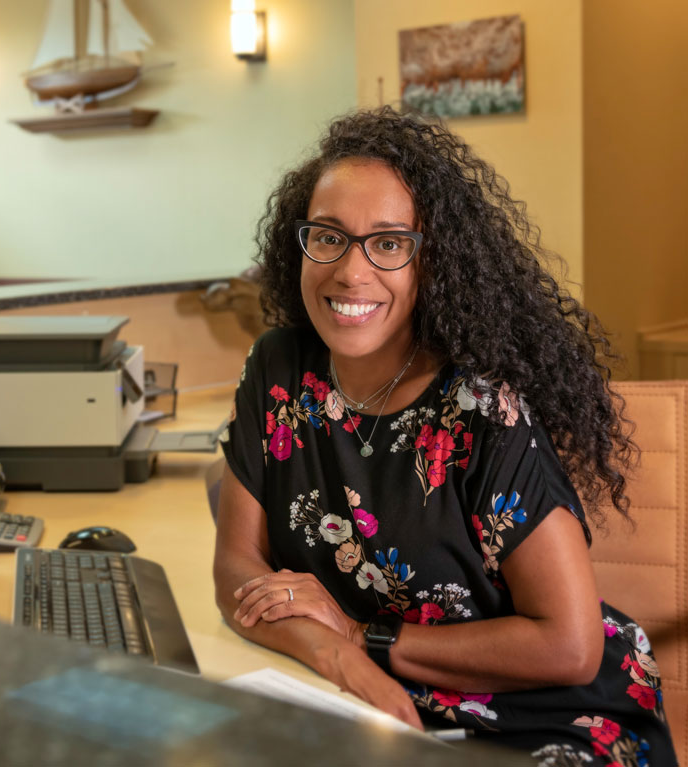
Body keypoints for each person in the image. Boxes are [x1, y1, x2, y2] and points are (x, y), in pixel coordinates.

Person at [213, 107, 677, 766]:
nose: (350, 272)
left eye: (389, 242)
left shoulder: (480, 409)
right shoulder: (278, 369)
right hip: (369, 701)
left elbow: (569, 645)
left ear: (434, 262)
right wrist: (336, 653)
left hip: (541, 713)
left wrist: (360, 634)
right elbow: (237, 568)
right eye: (328, 236)